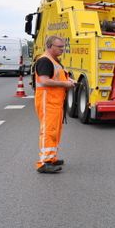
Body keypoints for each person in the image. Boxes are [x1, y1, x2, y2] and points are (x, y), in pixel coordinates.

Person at [33, 35, 76, 174]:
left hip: (55, 101)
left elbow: (57, 76)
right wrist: (65, 84)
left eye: (63, 46)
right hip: (47, 101)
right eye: (59, 47)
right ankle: (43, 163)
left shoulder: (54, 61)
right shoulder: (44, 61)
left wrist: (68, 80)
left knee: (55, 131)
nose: (62, 49)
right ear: (50, 46)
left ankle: (51, 158)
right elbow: (45, 81)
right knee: (48, 131)